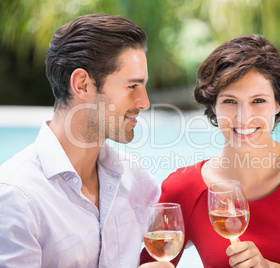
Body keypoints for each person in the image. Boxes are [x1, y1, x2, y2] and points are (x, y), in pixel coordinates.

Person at [141, 35, 280, 267]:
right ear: (214, 105)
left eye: (258, 101)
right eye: (230, 101)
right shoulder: (184, 189)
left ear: (278, 103)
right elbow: (151, 262)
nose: (244, 118)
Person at [0, 14, 173, 268]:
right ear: (82, 85)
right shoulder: (16, 197)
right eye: (133, 86)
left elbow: (192, 216)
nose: (144, 102)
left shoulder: (136, 180)